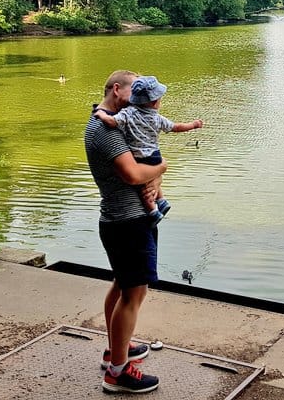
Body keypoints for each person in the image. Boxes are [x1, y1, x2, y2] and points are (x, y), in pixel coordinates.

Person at [83, 70, 167, 394]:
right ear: (117, 90)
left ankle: (116, 349)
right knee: (134, 294)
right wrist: (162, 167)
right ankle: (117, 372)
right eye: (134, 91)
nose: (140, 100)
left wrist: (154, 176)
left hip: (123, 219)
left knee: (121, 285)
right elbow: (133, 174)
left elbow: (145, 158)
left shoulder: (118, 123)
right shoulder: (106, 130)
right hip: (127, 222)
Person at [93, 75, 203, 225]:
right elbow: (176, 127)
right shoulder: (156, 118)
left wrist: (101, 114)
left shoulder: (128, 113)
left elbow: (112, 122)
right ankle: (161, 200)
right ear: (155, 102)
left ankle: (153, 211)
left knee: (144, 186)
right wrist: (193, 125)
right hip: (155, 156)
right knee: (148, 180)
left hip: (139, 156)